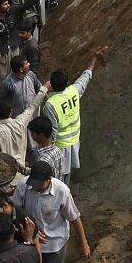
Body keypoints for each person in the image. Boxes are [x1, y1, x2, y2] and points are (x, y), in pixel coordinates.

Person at [14, 160, 89, 263]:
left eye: (38, 184)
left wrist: (84, 243)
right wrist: (29, 223)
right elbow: (16, 208)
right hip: (31, 243)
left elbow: (74, 218)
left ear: (49, 179)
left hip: (55, 244)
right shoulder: (25, 185)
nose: (34, 187)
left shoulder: (62, 191)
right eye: (32, 183)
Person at [44, 46, 106, 181]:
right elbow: (86, 76)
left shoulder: (50, 105)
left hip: (60, 147)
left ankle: (61, 199)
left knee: (58, 178)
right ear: (67, 83)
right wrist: (94, 58)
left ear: (52, 85)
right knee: (67, 175)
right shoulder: (74, 91)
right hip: (74, 142)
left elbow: (52, 131)